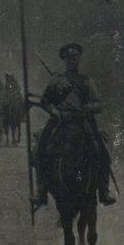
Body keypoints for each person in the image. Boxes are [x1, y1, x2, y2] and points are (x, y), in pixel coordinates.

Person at [31, 43, 116, 207]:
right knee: (40, 147)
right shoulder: (57, 81)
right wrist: (54, 112)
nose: (72, 61)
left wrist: (88, 108)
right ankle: (41, 190)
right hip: (60, 121)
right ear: (64, 60)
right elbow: (44, 101)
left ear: (79, 59)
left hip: (82, 121)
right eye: (69, 58)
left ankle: (104, 190)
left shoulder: (86, 81)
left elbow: (98, 104)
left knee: (101, 150)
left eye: (75, 57)